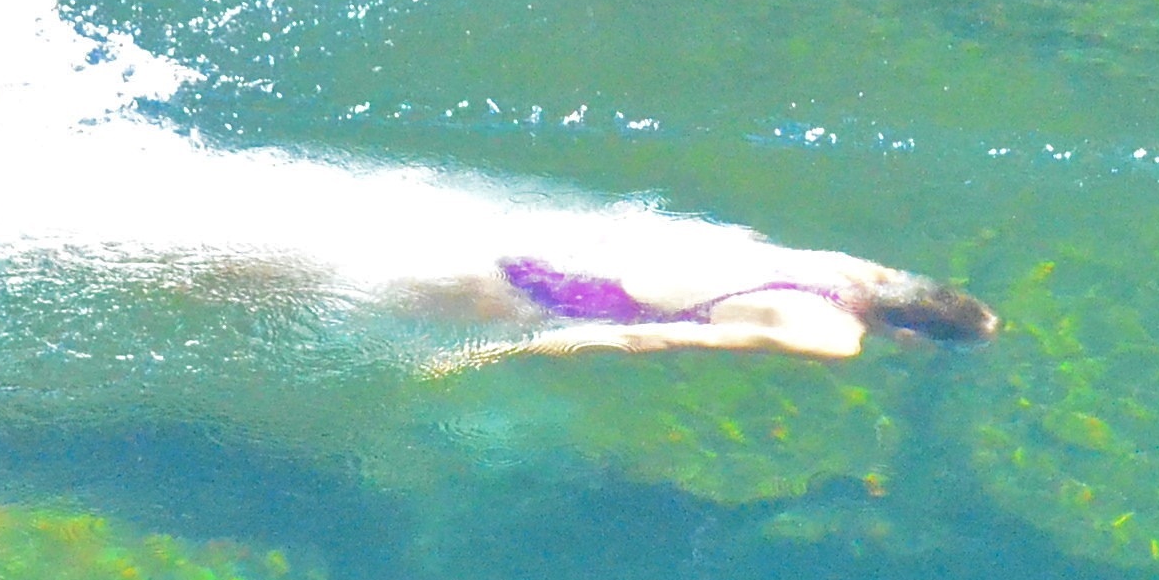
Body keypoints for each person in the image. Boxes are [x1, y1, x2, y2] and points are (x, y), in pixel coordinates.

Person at [427, 236, 997, 366]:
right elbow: (662, 336)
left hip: (603, 251)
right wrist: (497, 353)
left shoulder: (852, 270)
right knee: (435, 298)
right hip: (590, 298)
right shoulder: (833, 338)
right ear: (908, 337)